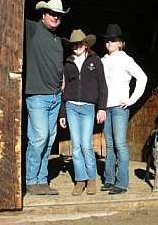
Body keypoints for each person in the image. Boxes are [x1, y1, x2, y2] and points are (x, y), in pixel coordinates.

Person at [24, 0, 70, 195]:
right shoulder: (33, 29)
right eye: (52, 13)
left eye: (58, 15)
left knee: (49, 140)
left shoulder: (58, 40)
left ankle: (42, 180)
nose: (55, 17)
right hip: (37, 96)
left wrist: (62, 78)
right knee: (38, 138)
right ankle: (30, 180)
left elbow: (57, 64)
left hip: (54, 97)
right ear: (43, 15)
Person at [58, 29, 108, 196]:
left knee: (86, 145)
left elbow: (103, 86)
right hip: (71, 107)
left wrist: (101, 108)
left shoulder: (95, 62)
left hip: (88, 108)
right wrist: (62, 113)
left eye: (80, 43)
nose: (77, 46)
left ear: (86, 44)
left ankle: (91, 178)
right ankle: (80, 180)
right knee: (76, 146)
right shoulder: (68, 63)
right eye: (74, 44)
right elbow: (63, 90)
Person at [100, 24, 148, 194]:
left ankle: (122, 182)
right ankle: (109, 179)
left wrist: (131, 100)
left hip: (120, 107)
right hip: (106, 107)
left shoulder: (125, 59)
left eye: (113, 40)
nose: (109, 42)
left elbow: (142, 77)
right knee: (110, 144)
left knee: (120, 144)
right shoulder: (103, 61)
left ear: (120, 43)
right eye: (107, 39)